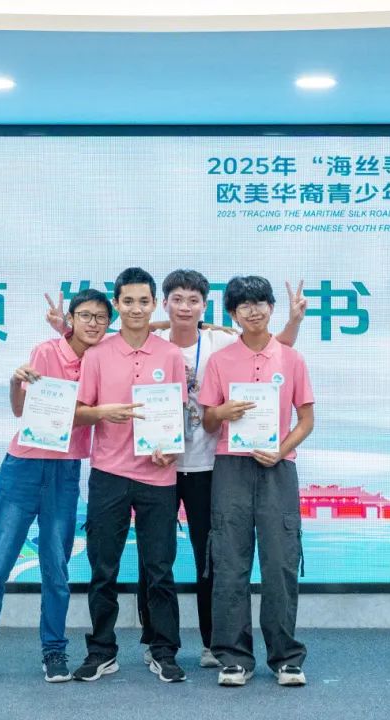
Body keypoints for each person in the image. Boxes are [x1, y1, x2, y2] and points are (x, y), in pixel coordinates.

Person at [132, 270, 308, 670]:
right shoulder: (150, 344)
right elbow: (120, 340)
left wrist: (295, 321)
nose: (185, 307)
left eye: (194, 300)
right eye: (177, 300)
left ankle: (215, 643)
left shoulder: (221, 343)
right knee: (153, 558)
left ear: (206, 305)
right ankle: (157, 641)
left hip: (209, 464)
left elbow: (273, 349)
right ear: (164, 303)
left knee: (212, 558)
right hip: (156, 463)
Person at [0, 289, 113, 684]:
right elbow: (20, 409)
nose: (93, 323)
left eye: (101, 317)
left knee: (56, 568)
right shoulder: (46, 352)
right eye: (85, 315)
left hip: (65, 472)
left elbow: (144, 330)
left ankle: (54, 650)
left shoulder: (105, 359)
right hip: (23, 467)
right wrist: (15, 381)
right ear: (72, 319)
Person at [71, 267, 189, 683]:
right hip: (109, 473)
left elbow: (178, 415)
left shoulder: (170, 355)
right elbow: (78, 412)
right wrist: (102, 412)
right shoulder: (97, 355)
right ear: (117, 305)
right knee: (103, 568)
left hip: (159, 476)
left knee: (159, 569)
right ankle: (101, 650)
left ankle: (163, 650)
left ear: (154, 304)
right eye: (128, 301)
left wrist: (171, 448)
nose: (136, 308)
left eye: (143, 301)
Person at [199, 276, 315, 688]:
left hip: (277, 469)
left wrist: (282, 450)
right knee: (230, 562)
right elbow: (207, 420)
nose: (253, 311)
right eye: (244, 305)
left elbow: (307, 420)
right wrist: (222, 412)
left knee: (280, 562)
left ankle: (285, 658)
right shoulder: (220, 361)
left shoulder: (291, 358)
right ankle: (234, 658)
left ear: (271, 308)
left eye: (260, 303)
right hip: (230, 466)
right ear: (232, 313)